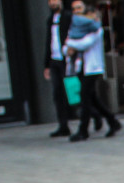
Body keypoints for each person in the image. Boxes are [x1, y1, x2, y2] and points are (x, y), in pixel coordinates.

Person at [65, 0, 121, 141]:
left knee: (85, 98)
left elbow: (85, 44)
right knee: (92, 99)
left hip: (93, 69)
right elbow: (66, 48)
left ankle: (83, 130)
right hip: (81, 68)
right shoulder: (76, 28)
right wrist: (68, 47)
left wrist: (70, 45)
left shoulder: (97, 30)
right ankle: (113, 122)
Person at [42, 0, 73, 137]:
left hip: (67, 60)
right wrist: (46, 65)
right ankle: (63, 125)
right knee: (57, 94)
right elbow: (48, 41)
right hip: (54, 61)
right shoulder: (50, 19)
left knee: (74, 91)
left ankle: (96, 116)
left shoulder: (68, 16)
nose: (53, 3)